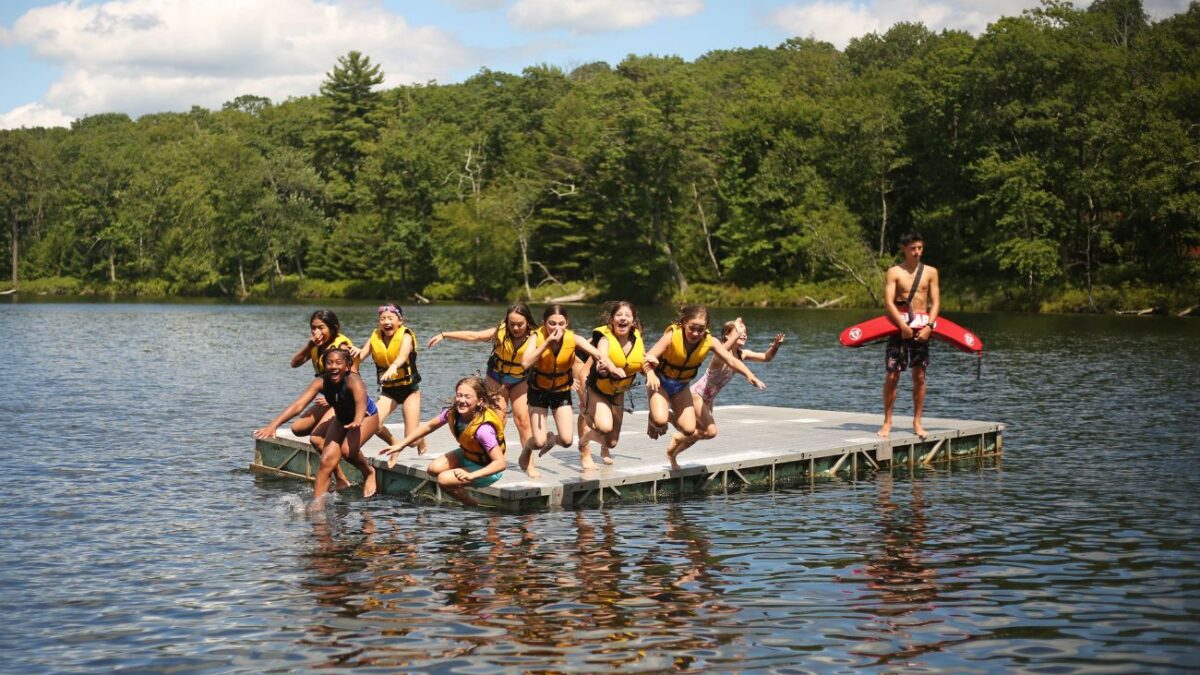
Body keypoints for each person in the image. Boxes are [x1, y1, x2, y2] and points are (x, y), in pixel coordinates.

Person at [254, 348, 380, 507]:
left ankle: (369, 472)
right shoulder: (321, 381)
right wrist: (273, 425)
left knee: (347, 451)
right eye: (329, 362)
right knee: (327, 460)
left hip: (367, 416)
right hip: (341, 419)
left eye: (338, 363)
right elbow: (298, 405)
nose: (333, 366)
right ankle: (317, 505)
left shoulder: (354, 380)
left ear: (347, 366)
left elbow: (360, 403)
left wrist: (357, 420)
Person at [643, 305, 766, 460]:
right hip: (660, 381)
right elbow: (647, 357)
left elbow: (730, 359)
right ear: (684, 323)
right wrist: (650, 374)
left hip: (681, 385)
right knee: (659, 420)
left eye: (701, 329)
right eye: (692, 328)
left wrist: (749, 374)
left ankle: (660, 416)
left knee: (688, 430)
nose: (695, 333)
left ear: (707, 327)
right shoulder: (672, 336)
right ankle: (654, 417)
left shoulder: (710, 341)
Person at [665, 318, 785, 470]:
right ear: (727, 335)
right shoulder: (720, 353)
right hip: (697, 395)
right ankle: (677, 436)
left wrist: (776, 346)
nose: (744, 334)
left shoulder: (742, 355)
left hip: (708, 400)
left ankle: (672, 453)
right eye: (739, 332)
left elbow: (766, 358)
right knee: (710, 432)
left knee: (695, 436)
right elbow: (723, 352)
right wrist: (736, 329)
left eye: (745, 333)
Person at [518, 305, 619, 478]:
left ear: (567, 323)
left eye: (561, 323)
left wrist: (609, 365)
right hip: (538, 391)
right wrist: (547, 342)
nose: (557, 328)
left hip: (561, 391)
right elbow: (525, 363)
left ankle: (552, 439)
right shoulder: (537, 337)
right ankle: (528, 447)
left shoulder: (574, 338)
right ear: (544, 323)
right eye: (552, 323)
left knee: (566, 441)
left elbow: (598, 354)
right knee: (538, 442)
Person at [427, 303, 537, 451]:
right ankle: (493, 457)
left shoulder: (536, 337)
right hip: (497, 378)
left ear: (528, 321)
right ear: (507, 322)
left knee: (523, 421)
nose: (516, 328)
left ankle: (528, 463)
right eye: (512, 324)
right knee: (498, 418)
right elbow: (474, 336)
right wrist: (444, 334)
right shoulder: (500, 332)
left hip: (520, 380)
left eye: (520, 324)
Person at [384, 376, 507, 506]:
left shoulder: (484, 430)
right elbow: (428, 426)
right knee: (433, 469)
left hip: (486, 468)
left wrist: (473, 475)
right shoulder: (452, 413)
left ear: (479, 401)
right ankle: (460, 483)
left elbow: (500, 464)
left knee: (443, 479)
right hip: (468, 454)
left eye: (467, 397)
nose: (461, 400)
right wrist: (400, 445)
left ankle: (472, 503)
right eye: (459, 395)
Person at [575, 301, 652, 470]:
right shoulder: (604, 338)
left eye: (627, 315)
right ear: (611, 319)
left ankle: (601, 446)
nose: (623, 319)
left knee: (612, 441)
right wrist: (608, 368)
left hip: (618, 392)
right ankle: (584, 448)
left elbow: (640, 363)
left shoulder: (637, 338)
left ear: (633, 321)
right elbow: (602, 357)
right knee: (603, 426)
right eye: (619, 315)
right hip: (595, 387)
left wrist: (652, 370)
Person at [879, 231, 940, 439]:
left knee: (920, 376)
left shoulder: (931, 271)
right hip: (898, 327)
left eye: (920, 248)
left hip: (922, 327)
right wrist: (902, 326)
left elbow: (936, 302)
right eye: (913, 248)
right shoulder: (894, 272)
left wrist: (930, 326)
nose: (917, 252)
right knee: (892, 375)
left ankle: (917, 422)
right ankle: (887, 422)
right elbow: (888, 302)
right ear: (904, 249)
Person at [352, 304, 425, 456]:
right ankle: (394, 443)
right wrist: (355, 353)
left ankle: (420, 436)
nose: (386, 322)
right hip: (389, 392)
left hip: (409, 391)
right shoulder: (375, 337)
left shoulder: (406, 336)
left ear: (400, 321)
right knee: (373, 424)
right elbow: (361, 356)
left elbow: (403, 355)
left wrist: (394, 367)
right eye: (382, 319)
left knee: (413, 442)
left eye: (390, 318)